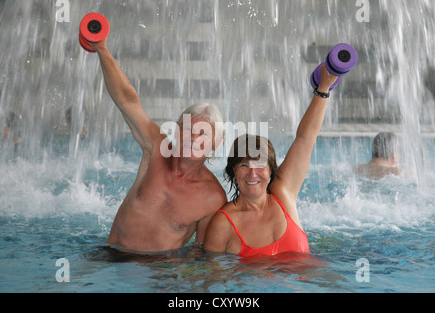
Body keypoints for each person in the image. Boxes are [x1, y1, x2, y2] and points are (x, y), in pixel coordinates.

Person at [91, 38, 227, 253]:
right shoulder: (156, 148)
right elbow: (127, 102)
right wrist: (101, 47)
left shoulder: (213, 197)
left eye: (203, 134)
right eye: (188, 129)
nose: (193, 138)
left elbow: (202, 252)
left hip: (161, 272)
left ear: (215, 144)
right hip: (113, 258)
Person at [204, 64, 338, 257]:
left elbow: (305, 138)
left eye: (260, 165)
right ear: (233, 171)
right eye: (244, 165)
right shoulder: (223, 224)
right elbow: (212, 279)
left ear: (270, 170)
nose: (252, 173)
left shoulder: (283, 193)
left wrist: (323, 89)